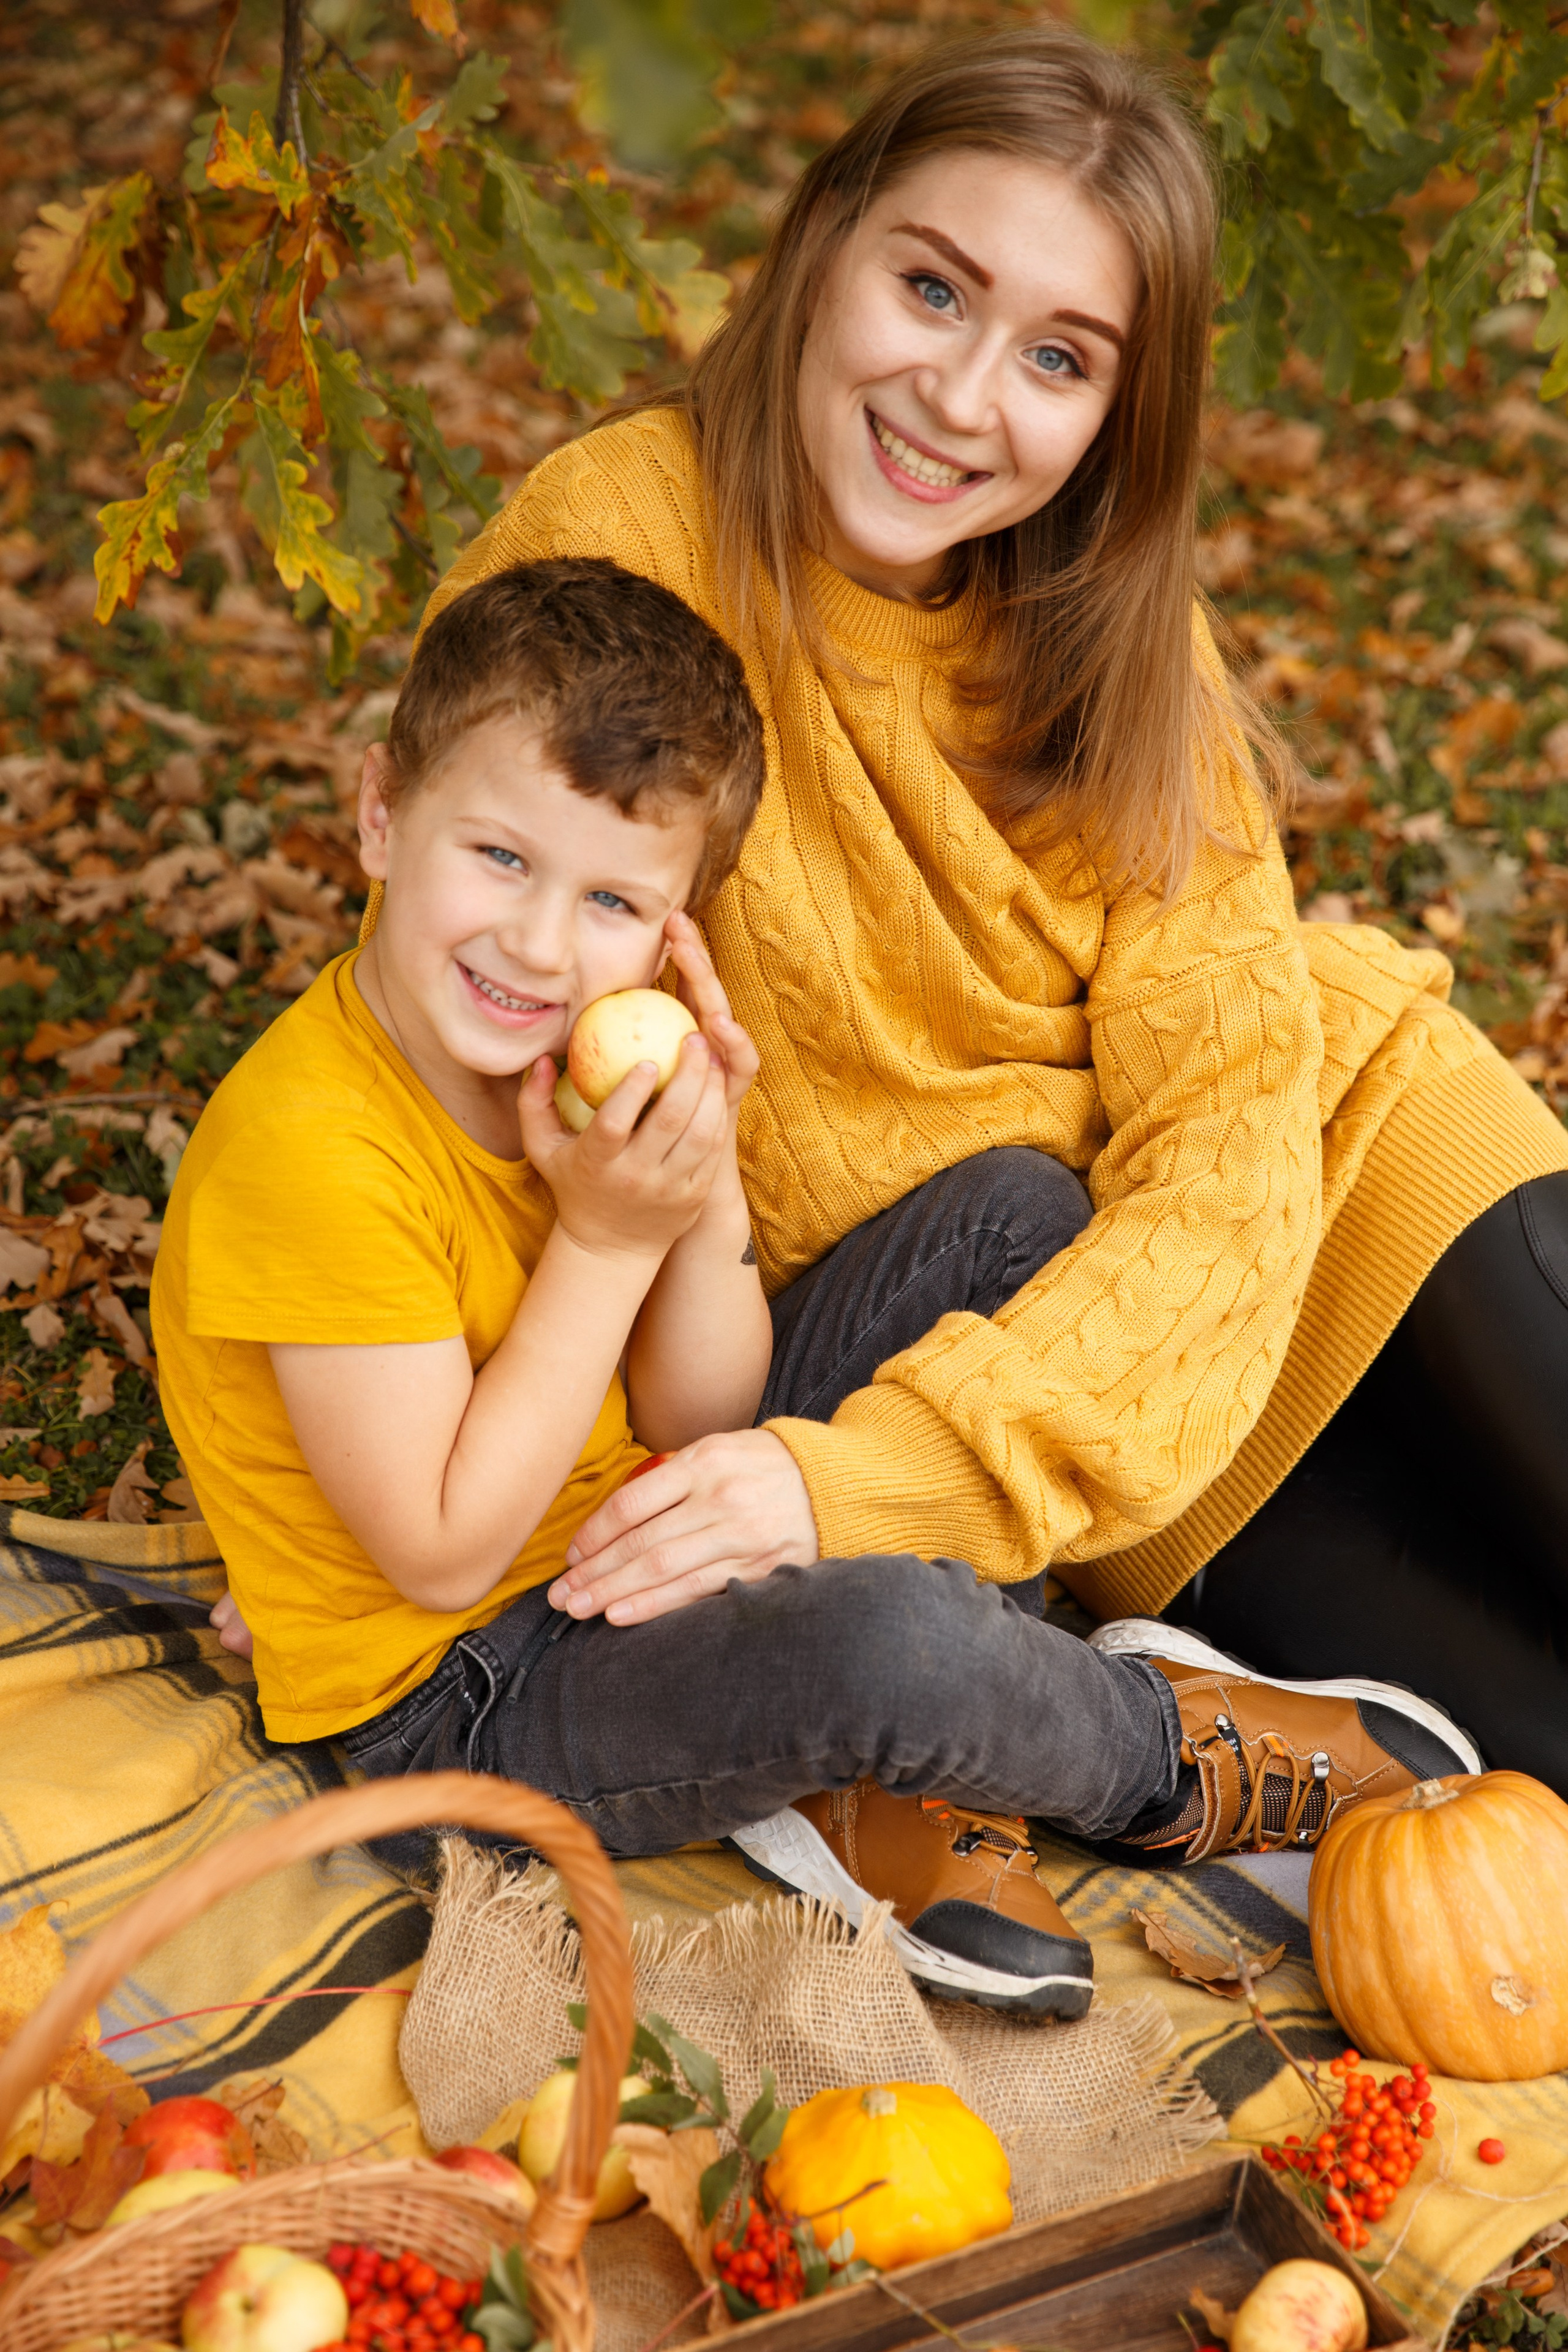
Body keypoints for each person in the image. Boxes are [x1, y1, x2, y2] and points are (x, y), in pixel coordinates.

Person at [198, 24, 1548, 2019]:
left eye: (1060, 356)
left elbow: (1237, 1134)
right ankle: (1058, 1740)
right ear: (820, 244)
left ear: (1119, 414)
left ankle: (962, 1706)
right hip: (904, 1417)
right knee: (1525, 1741)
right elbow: (475, 1032)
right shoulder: (619, 545)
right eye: (932, 286)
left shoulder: (1125, 650)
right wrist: (367, 1474)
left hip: (1167, 1289)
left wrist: (852, 1479)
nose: (959, 396)